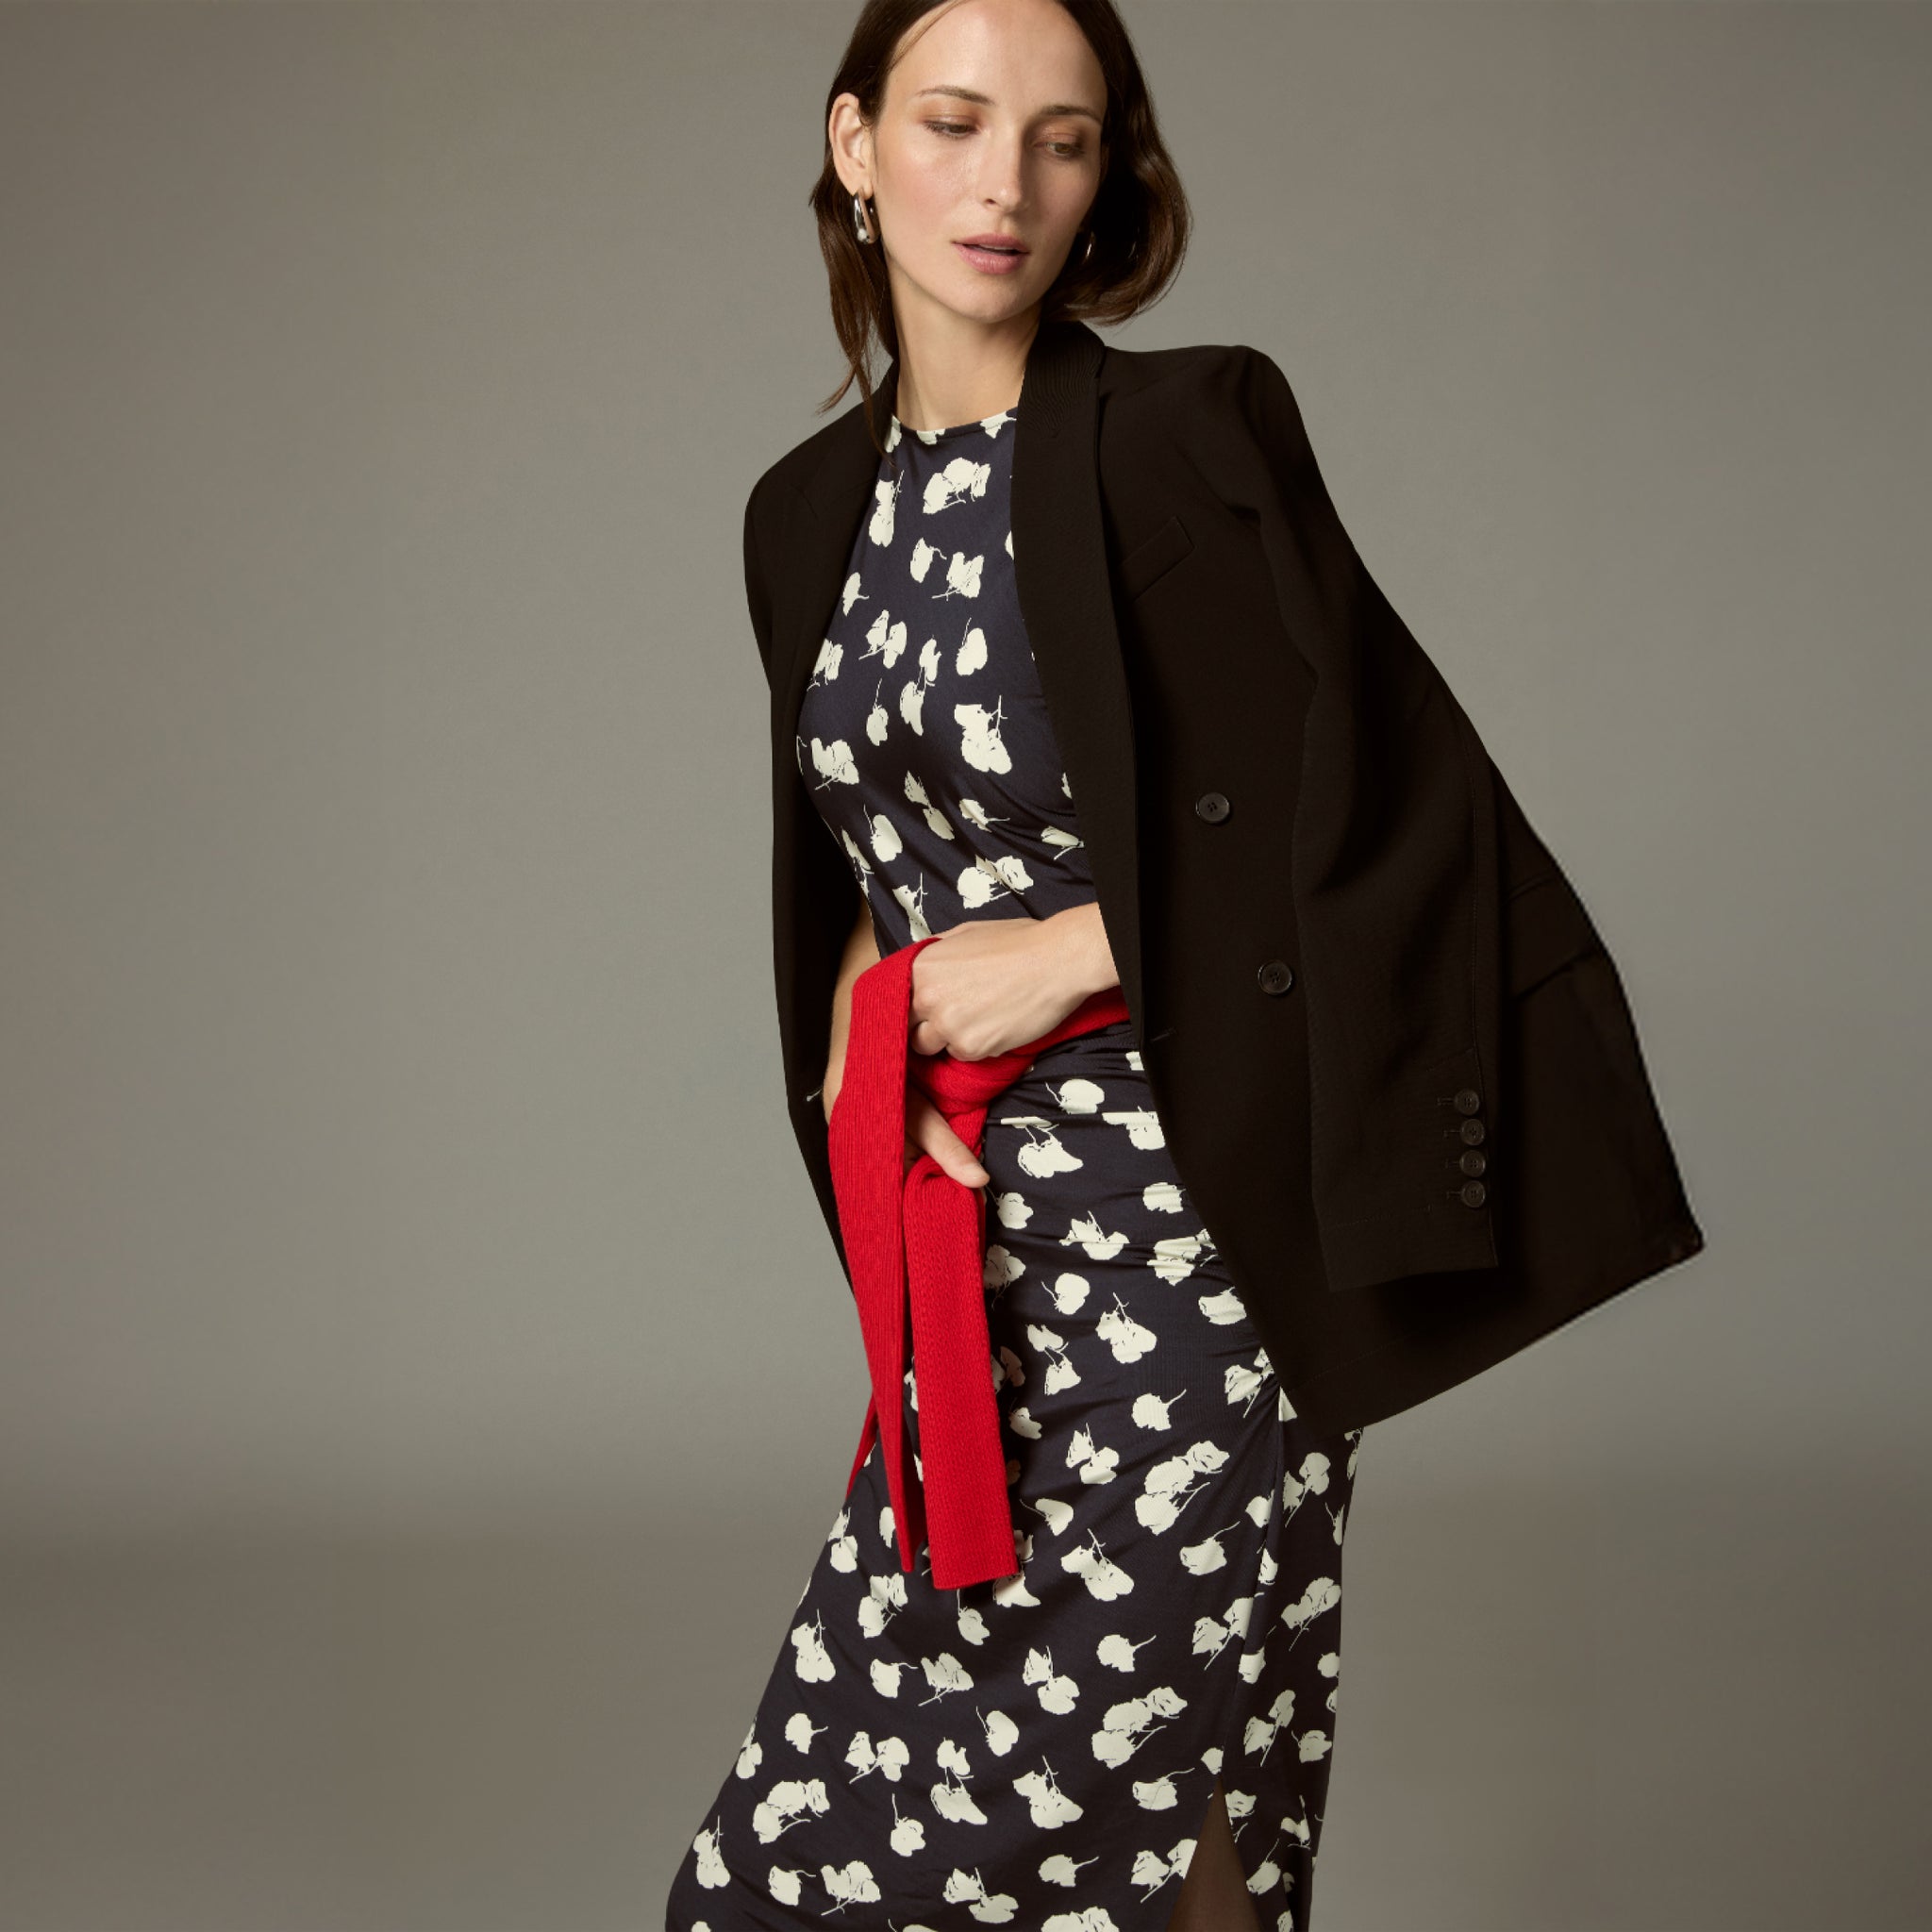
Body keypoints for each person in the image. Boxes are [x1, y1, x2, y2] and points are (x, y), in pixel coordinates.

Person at [667, 0, 1702, 1926]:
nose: (1003, 181)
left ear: (1102, 175)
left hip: (1190, 1252)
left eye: (1059, 138)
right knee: (1041, 1834)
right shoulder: (800, 515)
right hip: (965, 1271)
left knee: (1096, 1805)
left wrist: (1064, 954)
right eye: (955, 121)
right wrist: (858, 1034)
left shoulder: (1183, 433)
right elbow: (862, 859)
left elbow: (1388, 818)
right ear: (852, 141)